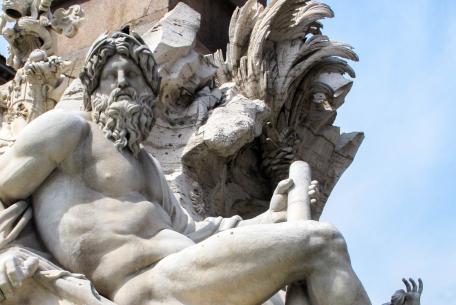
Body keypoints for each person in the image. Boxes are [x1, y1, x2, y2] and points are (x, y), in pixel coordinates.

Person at [0, 31, 372, 305]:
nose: (121, 85)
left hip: (185, 269)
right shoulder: (68, 131)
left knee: (288, 293)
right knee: (322, 242)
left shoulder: (146, 165)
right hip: (147, 284)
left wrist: (270, 218)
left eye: (132, 76)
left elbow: (192, 231)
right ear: (92, 90)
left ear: (150, 94)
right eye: (109, 77)